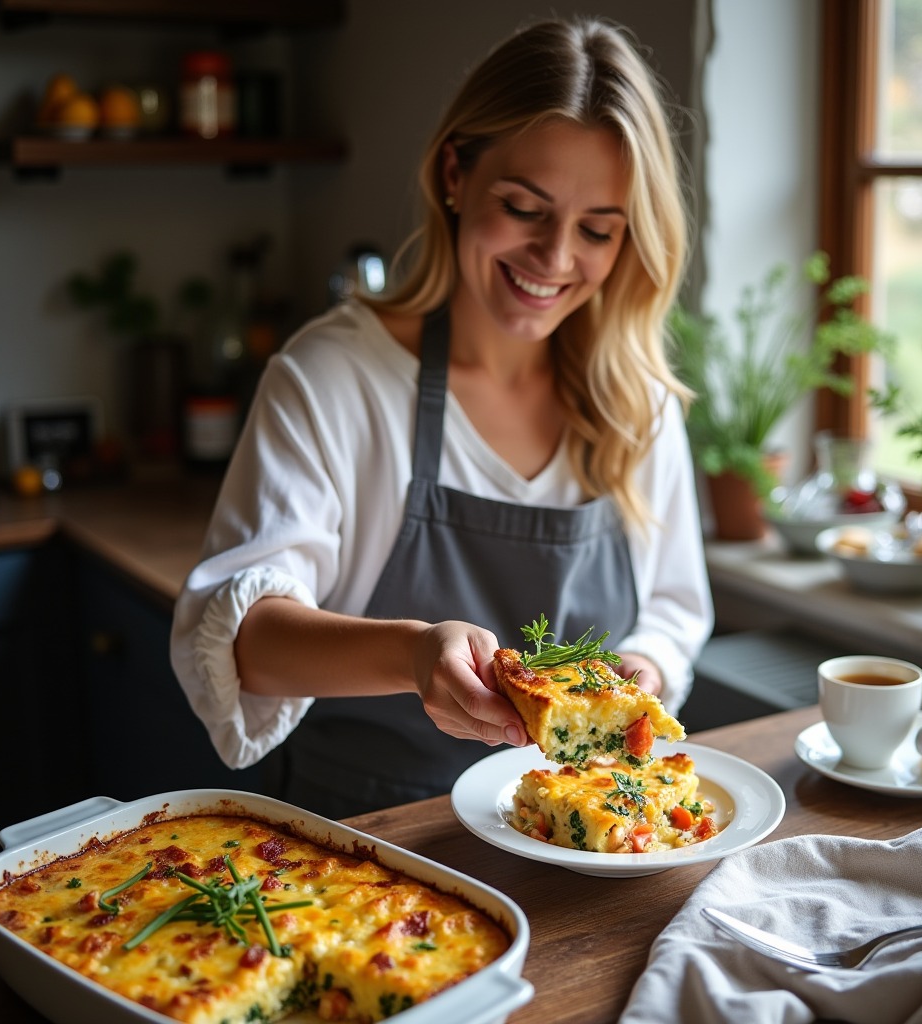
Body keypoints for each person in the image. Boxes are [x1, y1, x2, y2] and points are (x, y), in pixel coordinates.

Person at [171, 17, 713, 820]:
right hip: (367, 845)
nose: (557, 258)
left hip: (579, 834)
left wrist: (644, 670)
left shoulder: (635, 399)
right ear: (456, 174)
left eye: (598, 229)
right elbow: (243, 644)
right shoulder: (333, 377)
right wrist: (414, 651)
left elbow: (674, 607)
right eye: (525, 208)